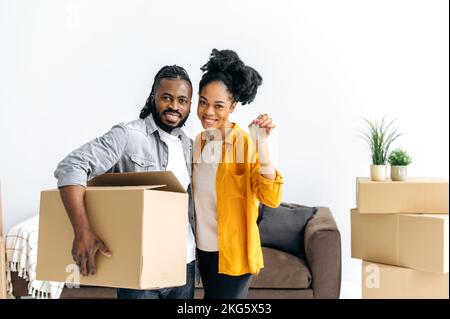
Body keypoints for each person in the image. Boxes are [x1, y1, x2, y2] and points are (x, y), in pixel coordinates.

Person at [54, 65, 196, 299]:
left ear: (190, 104)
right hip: (139, 264)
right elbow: (72, 166)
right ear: (153, 98)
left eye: (182, 100)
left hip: (184, 265)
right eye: (167, 98)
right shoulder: (129, 135)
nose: (174, 106)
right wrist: (82, 231)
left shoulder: (189, 146)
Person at [192, 49, 283, 299]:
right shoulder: (198, 142)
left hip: (233, 253)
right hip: (203, 251)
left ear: (232, 106)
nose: (208, 111)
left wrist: (261, 145)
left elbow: (270, 196)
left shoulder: (243, 142)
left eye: (218, 105)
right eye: (203, 102)